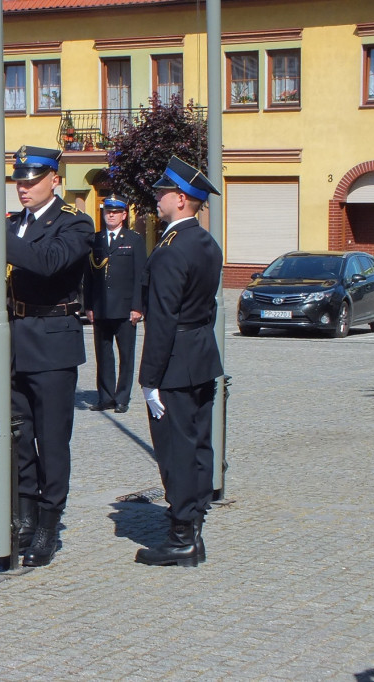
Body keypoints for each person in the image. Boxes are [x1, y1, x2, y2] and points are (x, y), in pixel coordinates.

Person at [0, 145, 95, 567]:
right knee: (18, 435)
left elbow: (47, 263)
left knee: (52, 438)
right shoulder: (14, 224)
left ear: (54, 181)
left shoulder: (75, 224)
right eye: (19, 182)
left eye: (32, 181)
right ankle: (23, 514)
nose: (23, 189)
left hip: (53, 340)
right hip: (16, 339)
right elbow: (6, 273)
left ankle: (48, 521)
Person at [135, 155, 223, 568]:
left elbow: (163, 318)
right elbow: (210, 308)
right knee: (199, 444)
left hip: (175, 360)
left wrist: (148, 379)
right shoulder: (206, 242)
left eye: (163, 191)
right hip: (201, 356)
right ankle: (196, 524)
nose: (157, 196)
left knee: (176, 450)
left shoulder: (172, 249)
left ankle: (182, 536)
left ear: (182, 200)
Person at [84, 194, 146, 413]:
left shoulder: (134, 240)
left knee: (126, 356)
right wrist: (88, 305)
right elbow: (89, 276)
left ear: (124, 215)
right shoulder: (96, 240)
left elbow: (140, 276)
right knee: (103, 355)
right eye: (107, 211)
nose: (110, 214)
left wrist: (138, 307)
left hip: (125, 308)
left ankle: (122, 398)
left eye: (115, 211)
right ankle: (105, 397)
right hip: (101, 307)